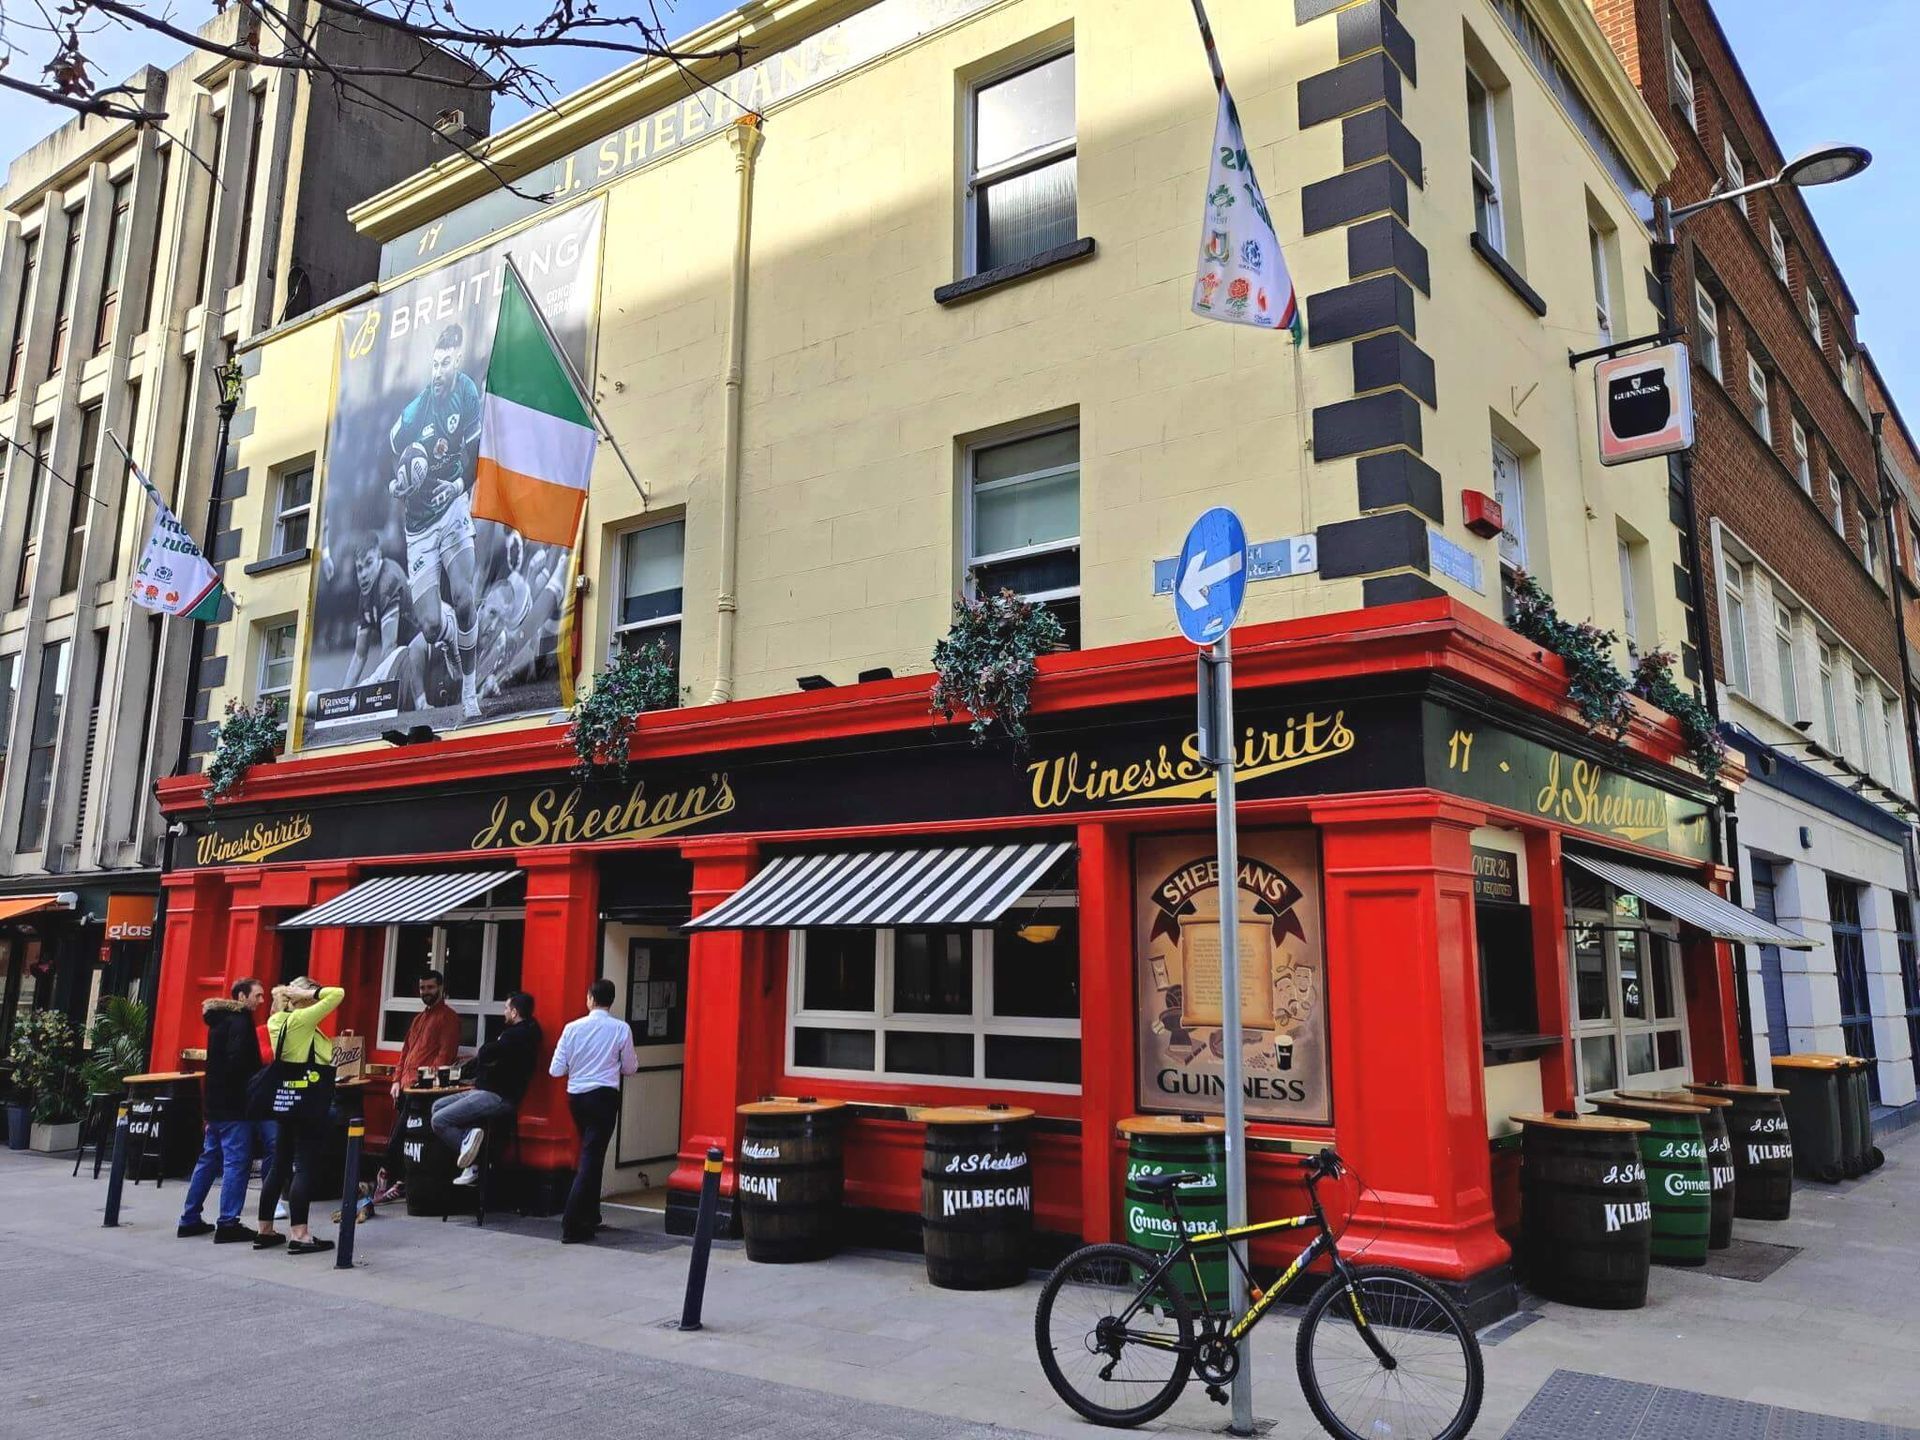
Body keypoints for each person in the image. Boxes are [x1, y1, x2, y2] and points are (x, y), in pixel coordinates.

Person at [389, 322, 484, 720]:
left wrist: (459, 485)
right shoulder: (414, 412)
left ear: (457, 361)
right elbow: (392, 449)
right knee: (429, 626)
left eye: (445, 363)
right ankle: (448, 639)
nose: (438, 371)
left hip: (454, 509)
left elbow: (476, 452)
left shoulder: (467, 394)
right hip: (419, 527)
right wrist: (397, 481)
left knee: (464, 597)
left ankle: (470, 689)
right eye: (434, 363)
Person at [254, 977, 345, 1255]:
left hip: (286, 1099)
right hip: (307, 1100)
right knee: (303, 1166)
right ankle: (300, 1234)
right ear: (303, 997)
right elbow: (337, 994)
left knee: (279, 1164)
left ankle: (265, 1230)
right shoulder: (301, 1020)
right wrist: (310, 991)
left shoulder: (277, 1020)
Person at [177, 978, 267, 1243]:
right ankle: (228, 1222)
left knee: (208, 1160)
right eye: (258, 996)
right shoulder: (240, 1023)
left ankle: (189, 1218)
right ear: (241, 997)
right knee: (236, 1164)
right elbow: (239, 1065)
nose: (261, 1001)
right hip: (234, 1106)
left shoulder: (218, 1021)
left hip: (214, 1105)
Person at [547, 979, 636, 1244]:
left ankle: (590, 1215)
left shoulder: (572, 1028)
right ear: (612, 1000)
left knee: (591, 1153)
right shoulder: (621, 1028)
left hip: (577, 1097)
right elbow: (630, 1067)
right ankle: (572, 1223)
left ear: (589, 998)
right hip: (605, 1097)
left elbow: (556, 1070)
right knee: (592, 1156)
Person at [431, 991, 542, 1187]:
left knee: (439, 1120)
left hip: (496, 1096)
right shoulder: (530, 1032)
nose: (504, 1012)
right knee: (437, 1106)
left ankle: (476, 1157)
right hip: (492, 1092)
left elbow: (485, 1053)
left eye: (506, 1008)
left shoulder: (512, 1036)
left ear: (515, 1012)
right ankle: (469, 1141)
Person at [390, 968, 461, 1100]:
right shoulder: (418, 1019)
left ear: (440, 987)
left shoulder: (449, 1018)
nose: (425, 991)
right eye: (422, 988)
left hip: (424, 1091)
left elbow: (445, 1056)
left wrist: (425, 1082)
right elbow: (405, 1051)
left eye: (430, 987)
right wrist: (396, 1080)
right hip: (404, 1087)